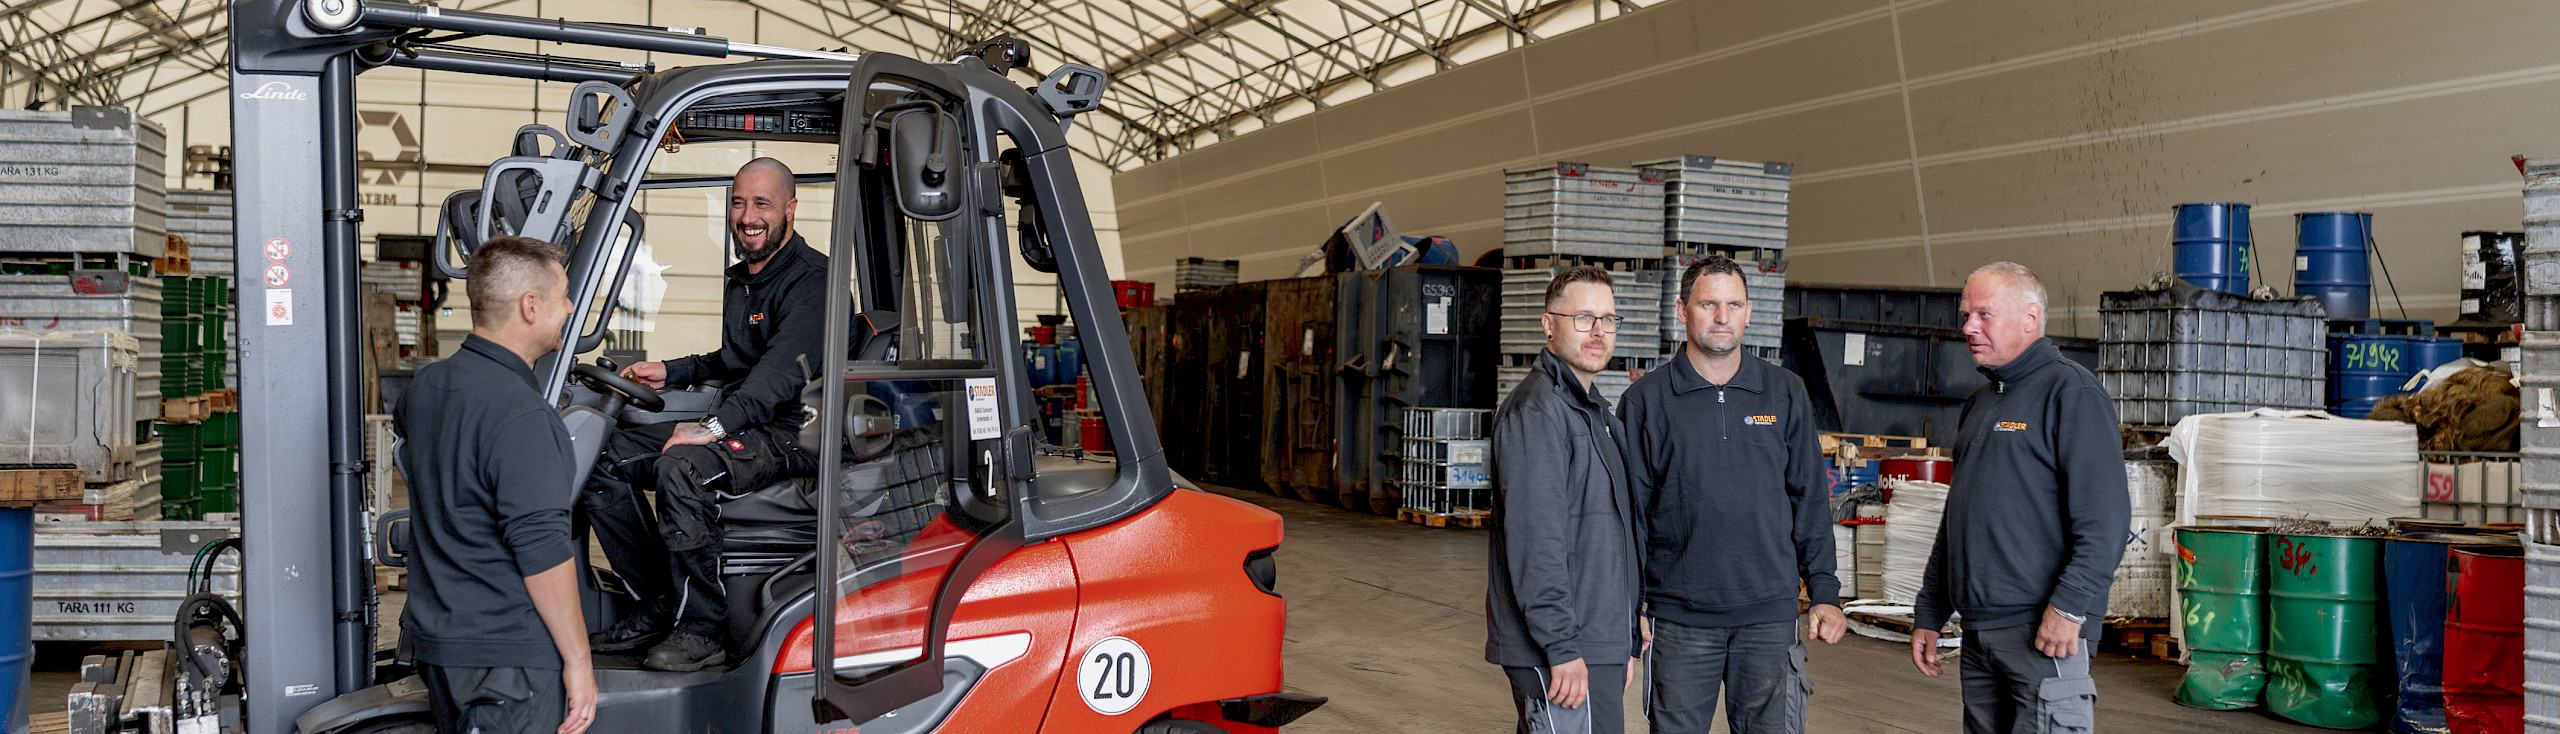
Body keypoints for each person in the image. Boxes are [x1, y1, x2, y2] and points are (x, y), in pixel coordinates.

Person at [584, 157, 826, 671]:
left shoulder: (813, 281)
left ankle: (702, 628)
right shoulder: (746, 279)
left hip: (794, 432)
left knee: (682, 468)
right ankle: (658, 603)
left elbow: (775, 377)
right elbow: (736, 360)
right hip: (752, 420)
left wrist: (710, 427)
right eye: (739, 203)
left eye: (762, 203)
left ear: (790, 208)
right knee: (601, 459)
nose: (747, 215)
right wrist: (671, 372)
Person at [1618, 255, 1843, 734]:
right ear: (1682, 310)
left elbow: (1810, 499)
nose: (1722, 317)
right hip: (1678, 617)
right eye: (1708, 304)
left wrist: (1824, 592)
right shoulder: (1646, 401)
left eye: (1734, 304)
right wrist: (1629, 605)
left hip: (1768, 617)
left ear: (1749, 311)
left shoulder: (1784, 393)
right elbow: (1630, 517)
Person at [1908, 262, 2131, 734]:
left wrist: (2069, 608)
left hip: (2045, 633)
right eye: (1966, 315)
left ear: (2030, 318)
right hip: (1981, 634)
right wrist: (1931, 609)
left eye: (1983, 315)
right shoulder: (1981, 402)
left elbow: (2106, 521)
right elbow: (1958, 517)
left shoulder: (2071, 393)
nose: (1968, 327)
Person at [394, 235, 596, 734]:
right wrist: (579, 660)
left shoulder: (427, 388)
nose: (569, 308)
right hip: (507, 659)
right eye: (563, 295)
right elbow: (542, 551)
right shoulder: (524, 417)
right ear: (531, 306)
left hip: (443, 647)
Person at [1487, 266, 1643, 734]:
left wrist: (1626, 635)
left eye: (1608, 319)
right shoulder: (1537, 412)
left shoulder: (1595, 413)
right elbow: (1537, 542)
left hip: (1599, 641)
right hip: (1563, 648)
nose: (1598, 332)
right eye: (1583, 318)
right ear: (1548, 324)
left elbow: (1610, 534)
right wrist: (1563, 647)